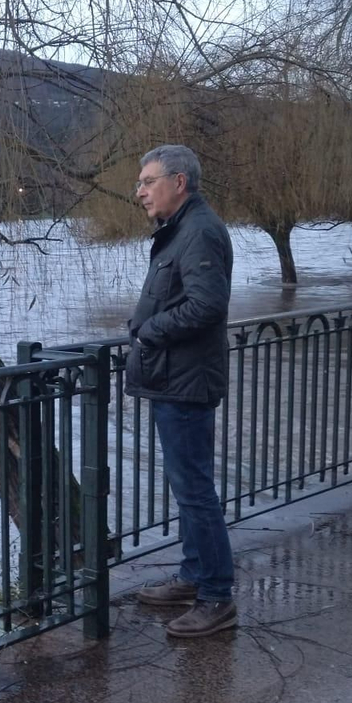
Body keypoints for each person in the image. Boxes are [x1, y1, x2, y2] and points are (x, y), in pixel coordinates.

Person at [125, 144, 237, 637]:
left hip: (186, 380)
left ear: (179, 183)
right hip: (175, 378)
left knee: (195, 492)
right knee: (187, 486)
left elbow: (207, 306)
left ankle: (216, 595)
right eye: (140, 183)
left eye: (148, 181)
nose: (140, 192)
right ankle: (193, 577)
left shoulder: (199, 231)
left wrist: (150, 330)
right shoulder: (182, 230)